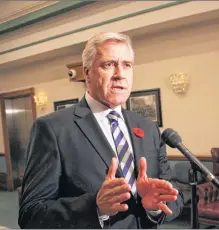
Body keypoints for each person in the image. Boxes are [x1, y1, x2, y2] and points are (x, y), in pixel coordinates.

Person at [18, 32, 184, 229]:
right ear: (87, 73)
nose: (120, 74)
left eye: (127, 65)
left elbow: (175, 196)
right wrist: (95, 207)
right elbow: (31, 214)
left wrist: (155, 206)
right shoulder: (52, 129)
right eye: (109, 64)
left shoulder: (148, 128)